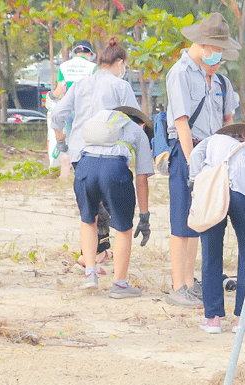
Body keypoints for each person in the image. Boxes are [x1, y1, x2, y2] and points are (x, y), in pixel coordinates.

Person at [51, 37, 145, 295]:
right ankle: (119, 279)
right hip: (111, 157)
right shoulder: (120, 85)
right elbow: (136, 121)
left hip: (82, 156)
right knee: (118, 218)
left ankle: (90, 272)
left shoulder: (80, 85)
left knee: (88, 216)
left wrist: (62, 143)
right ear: (120, 63)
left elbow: (57, 116)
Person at [164, 13, 240, 307]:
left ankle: (189, 279)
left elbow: (226, 121)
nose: (219, 56)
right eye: (217, 48)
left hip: (211, 151)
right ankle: (177, 284)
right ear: (204, 44)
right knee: (181, 219)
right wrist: (191, 163)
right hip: (187, 149)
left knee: (198, 218)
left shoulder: (218, 79)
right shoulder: (181, 73)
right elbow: (182, 123)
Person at [68, 106, 154, 297]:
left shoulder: (96, 123)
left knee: (88, 220)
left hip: (85, 166)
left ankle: (90, 274)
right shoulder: (137, 131)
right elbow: (142, 179)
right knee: (123, 228)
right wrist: (144, 216)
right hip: (114, 169)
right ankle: (120, 285)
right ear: (141, 124)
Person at [188, 124, 245, 333]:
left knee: (211, 252)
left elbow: (195, 155)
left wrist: (195, 182)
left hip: (214, 191)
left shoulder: (212, 140)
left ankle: (212, 319)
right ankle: (243, 319)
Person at [49, 40, 97, 180]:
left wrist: (51, 95)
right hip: (87, 110)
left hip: (69, 108)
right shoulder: (93, 67)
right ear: (89, 53)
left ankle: (66, 175)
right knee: (86, 141)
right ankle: (84, 173)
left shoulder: (63, 67)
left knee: (70, 140)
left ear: (75, 52)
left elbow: (59, 91)